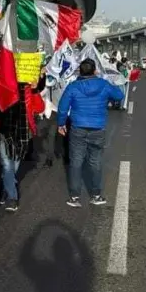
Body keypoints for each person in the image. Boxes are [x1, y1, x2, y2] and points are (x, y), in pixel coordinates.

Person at [57, 58, 124, 207]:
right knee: (95, 161)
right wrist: (107, 82)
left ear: (79, 71)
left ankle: (74, 197)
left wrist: (61, 124)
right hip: (98, 128)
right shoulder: (104, 84)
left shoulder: (73, 86)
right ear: (95, 71)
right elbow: (119, 95)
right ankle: (96, 195)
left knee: (76, 161)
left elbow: (62, 108)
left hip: (78, 128)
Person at [0, 80, 45, 213]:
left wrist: (35, 90)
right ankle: (12, 197)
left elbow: (40, 108)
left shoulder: (29, 88)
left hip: (23, 132)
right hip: (6, 131)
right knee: (7, 165)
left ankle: (5, 187)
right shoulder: (4, 85)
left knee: (15, 165)